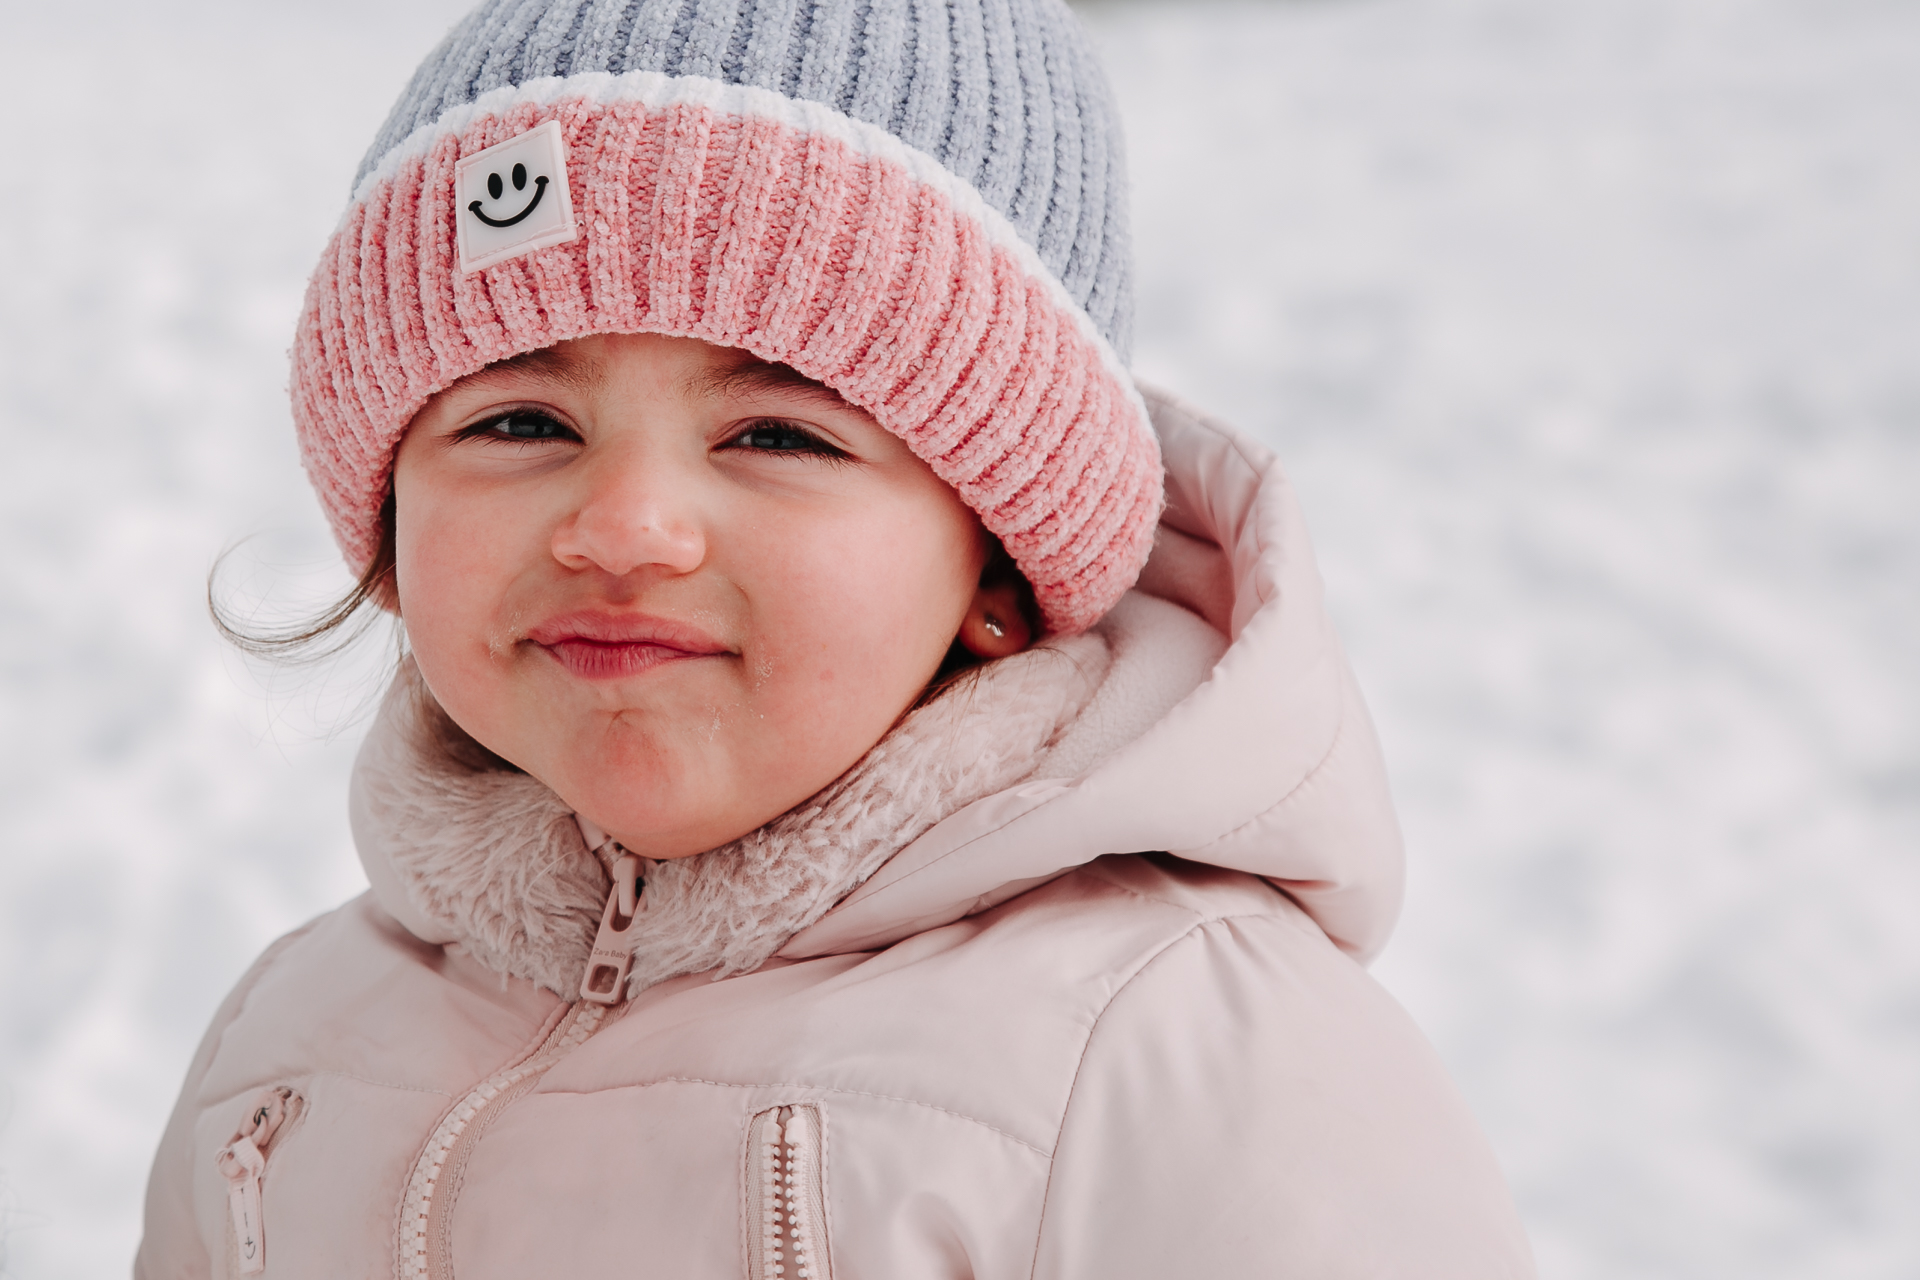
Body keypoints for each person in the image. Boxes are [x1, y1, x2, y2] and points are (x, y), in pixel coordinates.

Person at [136, 1, 1536, 1275]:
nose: (623, 527)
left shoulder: (1192, 1061)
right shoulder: (291, 1044)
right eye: (519, 423)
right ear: (386, 527)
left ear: (999, 563)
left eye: (778, 434)